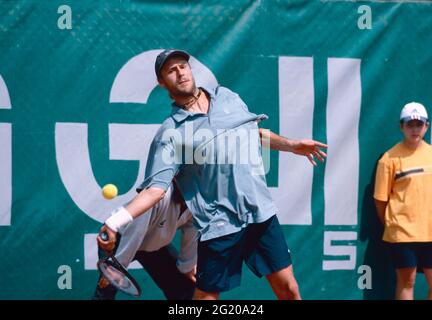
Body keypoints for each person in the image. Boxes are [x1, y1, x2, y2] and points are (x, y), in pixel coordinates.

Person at [98, 49, 327, 300]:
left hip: (259, 213)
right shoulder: (170, 133)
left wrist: (292, 145)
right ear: (162, 83)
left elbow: (252, 132)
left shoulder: (227, 97)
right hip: (220, 224)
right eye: (171, 71)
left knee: (289, 290)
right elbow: (155, 190)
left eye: (183, 66)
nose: (180, 73)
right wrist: (114, 222)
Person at [94, 181, 197, 300]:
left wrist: (187, 266)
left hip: (152, 244)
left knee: (184, 288)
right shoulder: (159, 194)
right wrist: (118, 267)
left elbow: (192, 231)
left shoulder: (197, 203)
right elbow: (136, 230)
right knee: (107, 286)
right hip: (119, 238)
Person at [374, 102, 432, 300]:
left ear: (427, 126)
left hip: (430, 231)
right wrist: (393, 226)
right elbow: (380, 200)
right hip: (402, 233)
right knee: (408, 281)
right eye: (410, 124)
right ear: (401, 127)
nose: (415, 129)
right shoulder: (389, 158)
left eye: (419, 124)